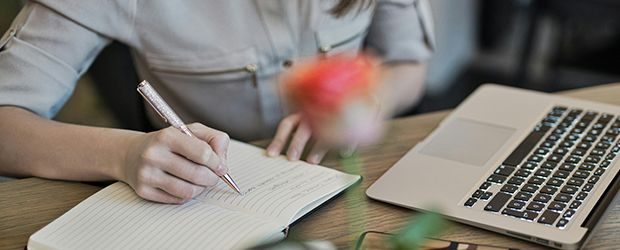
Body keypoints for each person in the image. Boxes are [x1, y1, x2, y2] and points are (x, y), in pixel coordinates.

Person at [0, 0, 435, 204]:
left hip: (352, 183)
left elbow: (409, 65)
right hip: (203, 201)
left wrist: (372, 99)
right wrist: (125, 153)